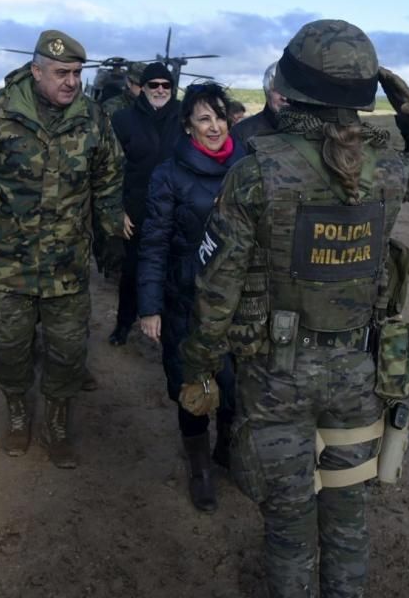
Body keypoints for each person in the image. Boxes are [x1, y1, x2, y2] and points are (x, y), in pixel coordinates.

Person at [179, 19, 409, 598]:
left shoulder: (257, 172)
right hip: (360, 371)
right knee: (348, 516)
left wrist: (199, 365)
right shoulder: (388, 169)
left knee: (288, 522)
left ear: (292, 89)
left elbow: (216, 289)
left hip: (277, 375)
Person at [0, 30, 124, 468]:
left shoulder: (92, 117)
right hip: (9, 261)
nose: (71, 82)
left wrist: (110, 236)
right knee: (10, 346)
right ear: (36, 70)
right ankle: (19, 412)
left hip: (67, 261)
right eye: (62, 73)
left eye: (78, 74)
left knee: (67, 350)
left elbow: (109, 177)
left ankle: (58, 422)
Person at [137, 82, 245, 512]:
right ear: (188, 127)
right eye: (204, 118)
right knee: (193, 385)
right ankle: (199, 466)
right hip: (189, 300)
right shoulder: (169, 174)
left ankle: (226, 449)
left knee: (236, 385)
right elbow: (154, 242)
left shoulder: (248, 167)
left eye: (220, 116)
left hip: (241, 301)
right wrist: (149, 306)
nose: (215, 126)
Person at [107, 62, 183, 346]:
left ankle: (168, 330)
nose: (160, 89)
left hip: (176, 210)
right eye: (154, 85)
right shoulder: (124, 120)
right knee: (131, 273)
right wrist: (117, 208)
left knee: (174, 275)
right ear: (144, 88)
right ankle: (123, 324)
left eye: (166, 85)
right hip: (137, 210)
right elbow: (111, 168)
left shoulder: (184, 118)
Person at [231, 62, 287, 144]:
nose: (285, 98)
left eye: (289, 91)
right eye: (277, 90)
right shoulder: (241, 132)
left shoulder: (308, 128)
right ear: (266, 92)